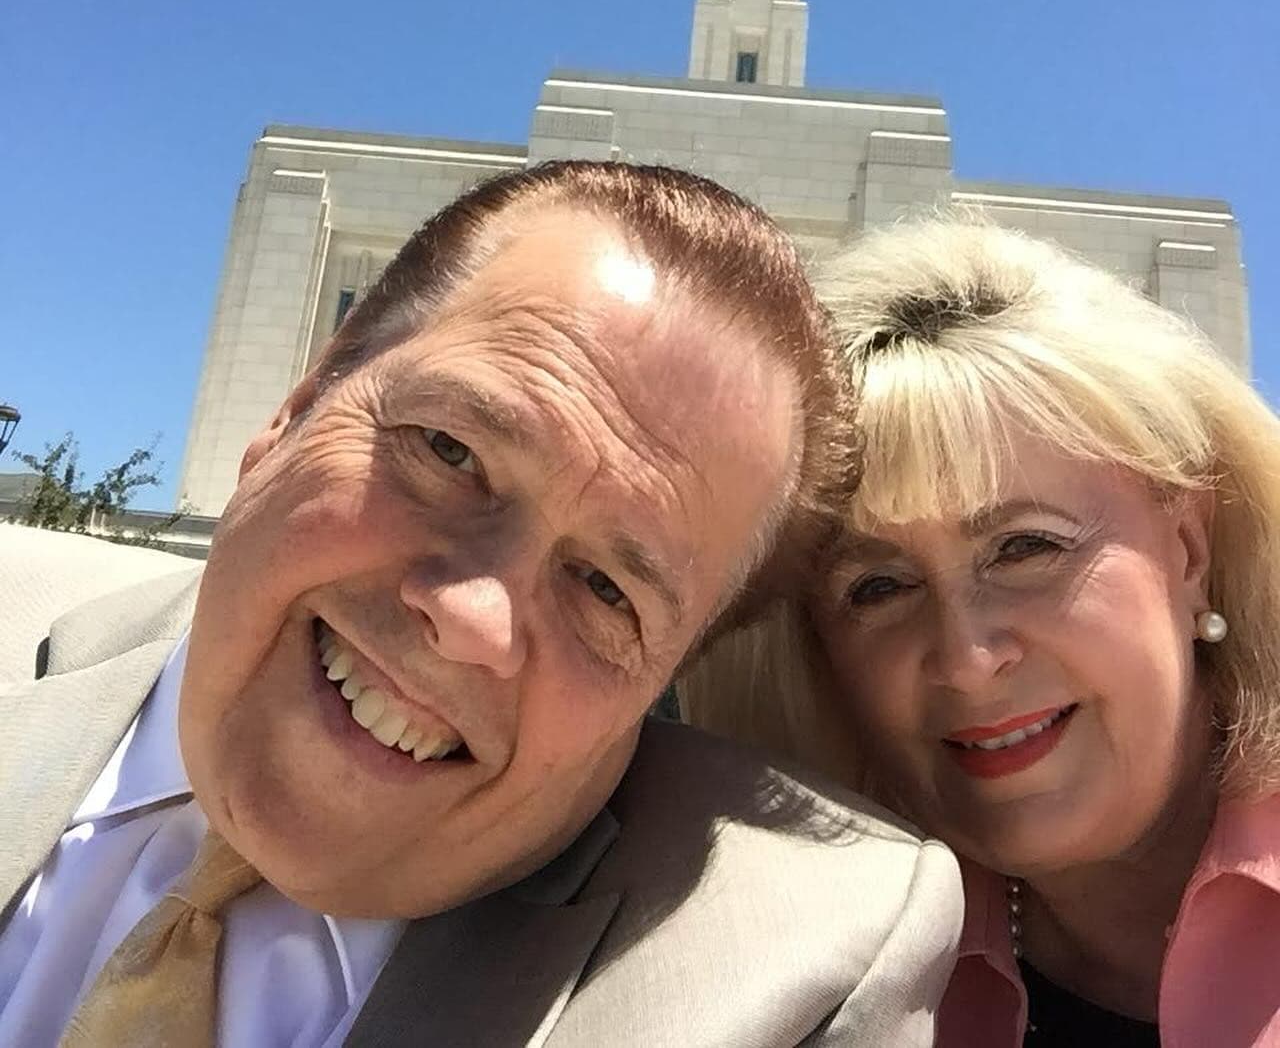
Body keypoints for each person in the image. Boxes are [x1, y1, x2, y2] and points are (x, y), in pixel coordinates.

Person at [0, 160, 961, 1048]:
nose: (472, 619)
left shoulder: (798, 972)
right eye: (449, 450)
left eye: (608, 589)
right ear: (295, 410)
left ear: (665, 683)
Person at [683, 216, 1280, 1046]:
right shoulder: (822, 975)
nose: (966, 658)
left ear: (1189, 549)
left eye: (1025, 546)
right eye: (879, 587)